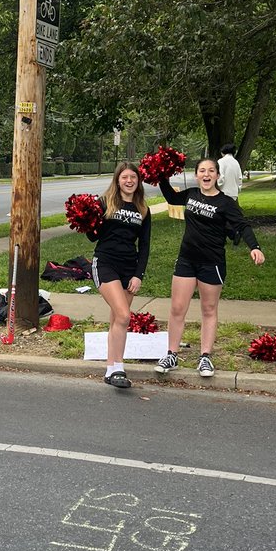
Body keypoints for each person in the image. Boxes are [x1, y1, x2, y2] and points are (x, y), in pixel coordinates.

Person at [157, 156, 265, 379]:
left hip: (212, 262)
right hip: (186, 260)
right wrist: (161, 175)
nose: (206, 175)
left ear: (217, 175)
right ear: (196, 175)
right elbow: (170, 196)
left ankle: (205, 356)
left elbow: (242, 225)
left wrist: (254, 247)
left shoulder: (226, 203)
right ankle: (171, 354)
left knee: (209, 310)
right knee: (177, 308)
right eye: (202, 171)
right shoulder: (191, 195)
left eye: (211, 171)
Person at [89, 161, 151, 390]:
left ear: (138, 181)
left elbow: (144, 246)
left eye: (133, 178)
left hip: (129, 268)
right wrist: (87, 219)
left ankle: (109, 369)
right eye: (125, 177)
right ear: (117, 180)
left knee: (117, 319)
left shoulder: (143, 209)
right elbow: (91, 238)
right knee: (124, 315)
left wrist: (138, 275)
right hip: (105, 263)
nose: (129, 181)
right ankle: (119, 367)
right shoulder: (104, 203)